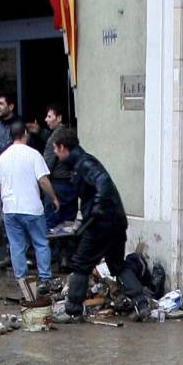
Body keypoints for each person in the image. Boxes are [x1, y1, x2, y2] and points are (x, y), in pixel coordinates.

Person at [52, 128, 127, 320]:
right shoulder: (82, 162)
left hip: (101, 224)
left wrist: (96, 208)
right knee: (117, 265)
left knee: (80, 264)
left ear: (63, 147)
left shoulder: (84, 163)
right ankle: (142, 305)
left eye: (55, 149)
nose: (54, 153)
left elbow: (103, 183)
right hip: (114, 221)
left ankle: (72, 310)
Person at [0, 117, 57, 288]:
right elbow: (43, 181)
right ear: (25, 134)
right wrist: (54, 198)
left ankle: (22, 280)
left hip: (10, 209)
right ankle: (44, 279)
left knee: (17, 246)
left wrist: (7, 195)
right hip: (32, 208)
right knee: (41, 243)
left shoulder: (2, 158)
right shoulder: (33, 154)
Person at [43, 104, 77, 228]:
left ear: (59, 118)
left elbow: (46, 168)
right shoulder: (70, 134)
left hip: (57, 186)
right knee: (68, 227)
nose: (46, 119)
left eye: (49, 116)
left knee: (52, 227)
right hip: (70, 185)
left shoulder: (54, 139)